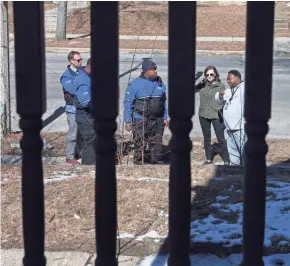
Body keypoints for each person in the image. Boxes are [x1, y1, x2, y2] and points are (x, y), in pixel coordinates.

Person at [124, 59, 168, 165]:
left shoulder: (160, 83)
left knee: (156, 142)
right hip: (141, 118)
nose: (156, 71)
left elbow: (164, 102)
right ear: (146, 71)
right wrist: (127, 120)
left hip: (158, 119)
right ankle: (139, 162)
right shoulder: (134, 84)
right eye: (154, 69)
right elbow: (128, 103)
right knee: (140, 143)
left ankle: (155, 161)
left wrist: (165, 117)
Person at [195, 65, 230, 165]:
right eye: (207, 75)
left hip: (216, 115)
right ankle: (209, 159)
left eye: (211, 74)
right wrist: (195, 78)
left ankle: (226, 160)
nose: (209, 76)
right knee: (207, 138)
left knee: (221, 138)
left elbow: (223, 99)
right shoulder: (202, 85)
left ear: (215, 75)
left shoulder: (221, 86)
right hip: (203, 115)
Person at [215, 70, 245, 166]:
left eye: (230, 79)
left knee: (242, 149)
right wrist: (219, 95)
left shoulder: (244, 89)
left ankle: (245, 168)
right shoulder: (228, 91)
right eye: (227, 79)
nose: (228, 81)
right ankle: (234, 167)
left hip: (240, 127)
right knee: (232, 149)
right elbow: (218, 100)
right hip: (229, 127)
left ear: (237, 78)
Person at [60, 51, 83, 164]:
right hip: (72, 108)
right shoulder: (66, 76)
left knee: (82, 132)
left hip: (83, 108)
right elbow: (73, 90)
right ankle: (69, 157)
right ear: (71, 61)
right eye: (78, 60)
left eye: (81, 59)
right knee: (73, 133)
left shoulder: (82, 71)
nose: (80, 62)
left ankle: (79, 153)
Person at [74, 58, 96, 165]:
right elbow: (85, 102)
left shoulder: (88, 77)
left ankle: (88, 165)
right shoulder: (83, 79)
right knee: (91, 143)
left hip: (88, 116)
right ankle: (90, 167)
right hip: (86, 116)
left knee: (89, 143)